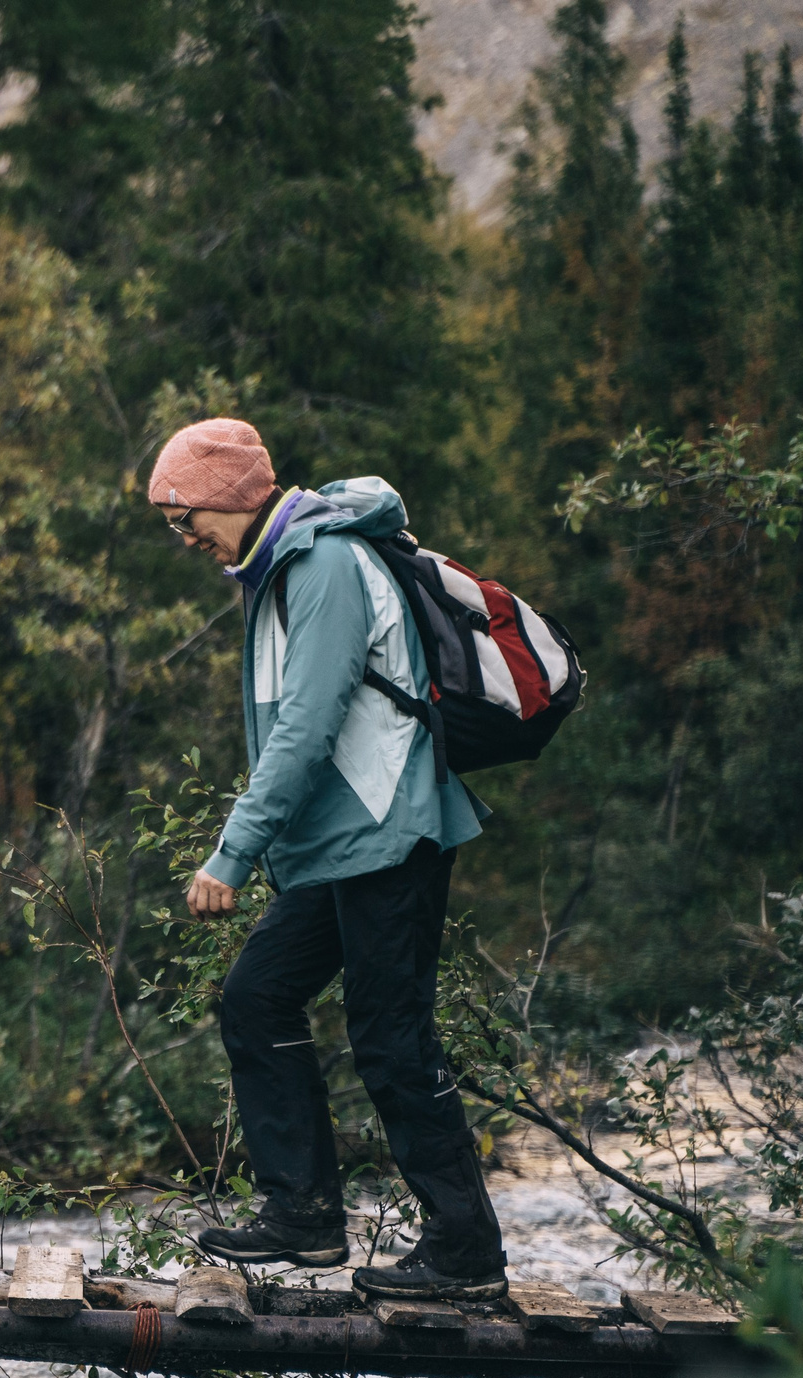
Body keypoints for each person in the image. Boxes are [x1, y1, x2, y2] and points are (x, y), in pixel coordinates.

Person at [149, 417, 507, 1301]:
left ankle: (466, 1253)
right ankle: (304, 1215)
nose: (185, 537)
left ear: (231, 496)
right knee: (257, 995)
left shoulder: (325, 565)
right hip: (342, 848)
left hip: (389, 835)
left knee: (392, 1036)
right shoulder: (277, 570)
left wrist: (233, 853)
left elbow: (306, 729)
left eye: (186, 516)